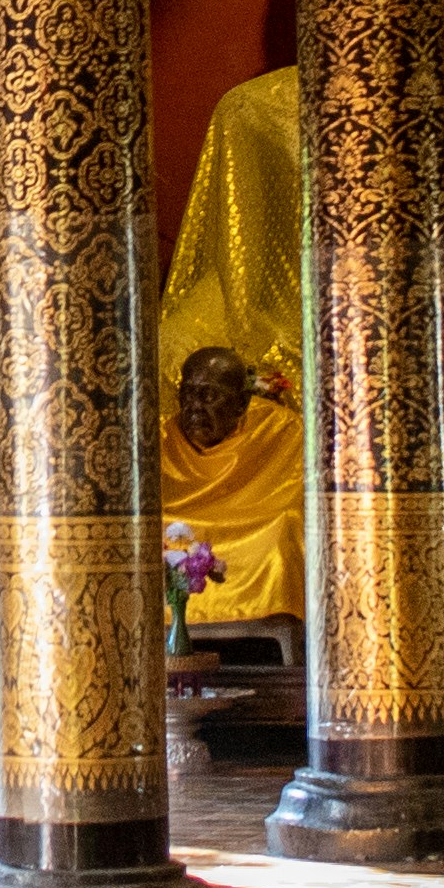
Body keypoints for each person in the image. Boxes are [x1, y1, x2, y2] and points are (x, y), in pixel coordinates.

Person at [154, 67, 304, 624]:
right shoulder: (206, 305)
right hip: (200, 493)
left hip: (267, 495)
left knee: (285, 531)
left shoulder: (331, 282)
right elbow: (178, 409)